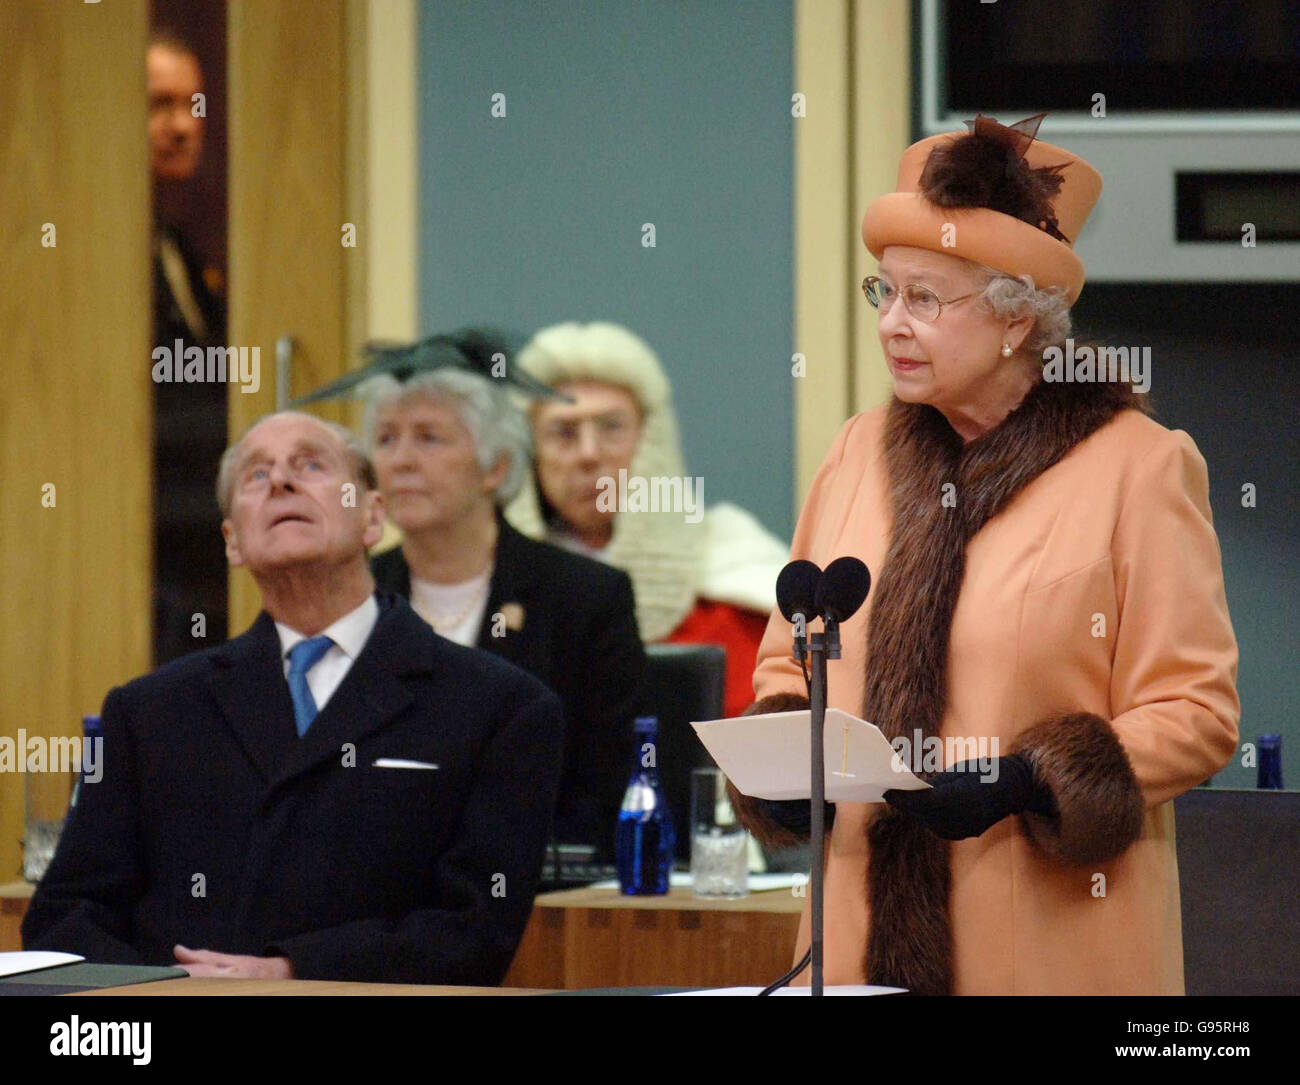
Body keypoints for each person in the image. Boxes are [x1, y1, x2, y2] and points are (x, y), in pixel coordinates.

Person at [728, 113, 1240, 995]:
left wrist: (1028, 781)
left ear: (1015, 319)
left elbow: (1195, 710)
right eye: (881, 292)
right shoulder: (855, 449)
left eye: (925, 299)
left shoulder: (1140, 466)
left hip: (1048, 938)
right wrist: (781, 765)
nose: (891, 323)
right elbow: (788, 654)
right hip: (853, 938)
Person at [23, 411, 564, 985]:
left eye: (311, 464)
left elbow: (476, 929)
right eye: (256, 476)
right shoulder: (148, 711)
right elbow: (65, 918)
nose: (281, 481)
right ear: (232, 541)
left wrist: (291, 972)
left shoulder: (500, 707)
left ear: (373, 518)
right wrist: (170, 991)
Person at [358, 332, 645, 861]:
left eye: (429, 438)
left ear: (495, 466)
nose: (400, 460)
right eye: (386, 439)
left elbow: (609, 791)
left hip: (539, 890)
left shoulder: (583, 598)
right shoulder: (355, 593)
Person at [507, 321, 788, 719]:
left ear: (650, 440)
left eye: (612, 427)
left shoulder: (733, 575)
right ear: (531, 449)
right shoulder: (494, 585)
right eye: (563, 432)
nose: (589, 454)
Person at [148, 29, 229, 665]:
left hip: (206, 552)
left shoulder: (182, 248)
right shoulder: (98, 263)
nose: (182, 125)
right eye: (159, 105)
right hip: (142, 554)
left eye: (193, 106)